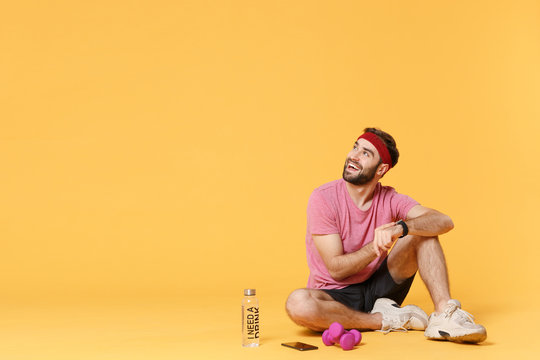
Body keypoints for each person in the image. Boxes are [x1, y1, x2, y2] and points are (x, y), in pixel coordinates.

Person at [285, 127, 487, 343]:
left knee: (423, 230)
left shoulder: (390, 198)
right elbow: (336, 269)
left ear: (381, 170)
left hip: (380, 291)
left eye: (365, 153)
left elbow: (444, 221)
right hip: (335, 297)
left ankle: (443, 317)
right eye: (355, 147)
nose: (354, 155)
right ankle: (383, 320)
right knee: (298, 304)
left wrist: (400, 228)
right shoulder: (323, 199)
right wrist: (375, 247)